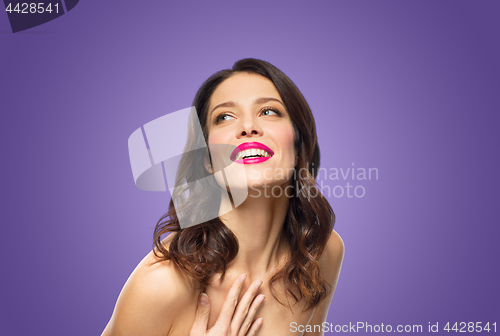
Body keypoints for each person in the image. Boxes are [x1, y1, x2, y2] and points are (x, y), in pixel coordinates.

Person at [102, 58, 344, 336]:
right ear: (207, 159)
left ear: (300, 143)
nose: (248, 126)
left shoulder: (319, 254)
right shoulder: (161, 285)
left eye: (269, 111)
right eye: (224, 117)